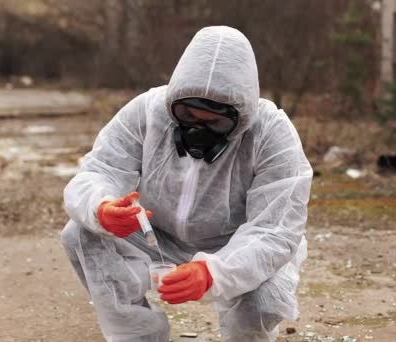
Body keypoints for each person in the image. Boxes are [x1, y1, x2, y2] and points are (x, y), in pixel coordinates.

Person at [61, 26, 312, 342]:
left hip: (236, 244)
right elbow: (99, 170)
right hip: (158, 238)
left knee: (264, 300)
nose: (197, 129)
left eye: (215, 122)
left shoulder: (271, 134)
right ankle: (137, 335)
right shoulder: (149, 112)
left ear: (242, 115)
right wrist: (102, 207)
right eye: (188, 115)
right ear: (174, 102)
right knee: (81, 232)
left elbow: (275, 230)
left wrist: (214, 272)